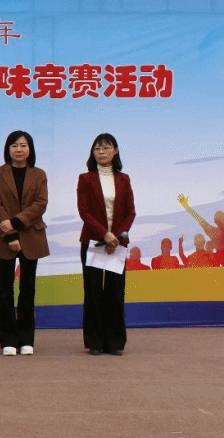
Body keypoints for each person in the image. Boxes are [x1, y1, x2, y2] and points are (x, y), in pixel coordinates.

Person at [0, 130, 49, 357]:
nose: (19, 149)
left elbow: (41, 203)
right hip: (4, 237)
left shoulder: (39, 174)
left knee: (27, 290)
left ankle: (26, 339)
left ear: (30, 149)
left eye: (23, 145)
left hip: (31, 236)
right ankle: (8, 340)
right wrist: (10, 235)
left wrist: (16, 222)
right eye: (14, 145)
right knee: (5, 291)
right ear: (8, 149)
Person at [77, 132, 135, 356]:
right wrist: (104, 235)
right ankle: (95, 342)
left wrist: (117, 236)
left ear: (115, 151)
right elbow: (85, 212)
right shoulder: (86, 178)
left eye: (106, 147)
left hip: (118, 243)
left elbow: (131, 212)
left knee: (115, 291)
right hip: (93, 242)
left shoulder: (124, 179)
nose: (101, 152)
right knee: (93, 291)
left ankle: (115, 342)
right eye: (97, 148)